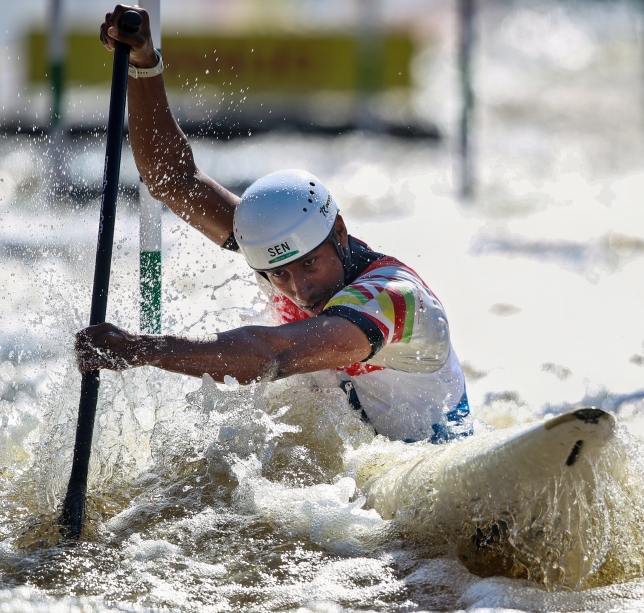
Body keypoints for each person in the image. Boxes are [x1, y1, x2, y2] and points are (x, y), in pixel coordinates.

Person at [76, 4, 470, 443]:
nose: (300, 290)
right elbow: (173, 180)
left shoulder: (396, 300)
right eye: (278, 275)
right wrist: (143, 65)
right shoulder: (277, 246)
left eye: (309, 266)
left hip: (432, 465)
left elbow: (272, 355)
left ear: (338, 232)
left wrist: (142, 349)